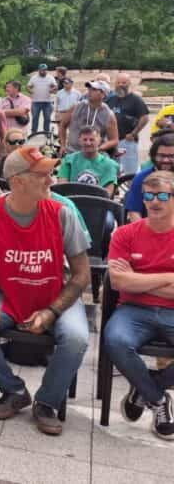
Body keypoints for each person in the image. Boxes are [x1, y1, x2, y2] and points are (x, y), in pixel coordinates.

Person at [0, 146, 91, 436]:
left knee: (77, 338)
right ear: (18, 181)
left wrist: (52, 311)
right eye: (42, 175)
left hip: (56, 295)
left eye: (50, 173)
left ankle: (47, 402)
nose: (51, 180)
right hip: (8, 295)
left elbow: (83, 274)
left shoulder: (62, 213)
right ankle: (14, 390)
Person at [103, 170, 174, 439]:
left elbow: (129, 280)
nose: (155, 202)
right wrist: (168, 278)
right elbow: (118, 282)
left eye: (163, 196)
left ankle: (145, 387)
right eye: (149, 196)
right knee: (115, 340)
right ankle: (158, 399)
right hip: (133, 310)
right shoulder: (125, 234)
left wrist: (138, 279)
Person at [125, 131, 174, 222]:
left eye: (171, 156)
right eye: (161, 156)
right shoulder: (142, 178)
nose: (166, 160)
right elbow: (134, 212)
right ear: (154, 156)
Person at [108, 72, 150, 177]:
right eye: (118, 82)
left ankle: (130, 186)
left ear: (129, 83)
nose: (120, 85)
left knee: (129, 172)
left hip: (127, 141)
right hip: (111, 141)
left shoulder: (136, 99)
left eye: (124, 82)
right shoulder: (110, 99)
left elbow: (145, 118)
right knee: (112, 169)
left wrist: (133, 133)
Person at [61, 80, 118, 156]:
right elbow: (63, 125)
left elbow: (114, 140)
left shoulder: (109, 114)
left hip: (95, 155)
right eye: (89, 89)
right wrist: (63, 145)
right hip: (72, 153)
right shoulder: (76, 107)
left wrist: (98, 149)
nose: (89, 91)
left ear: (103, 94)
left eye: (94, 89)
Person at [57, 126, 119, 195]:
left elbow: (107, 194)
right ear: (79, 141)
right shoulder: (69, 160)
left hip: (97, 201)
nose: (88, 143)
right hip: (71, 200)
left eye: (92, 140)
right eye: (85, 140)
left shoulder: (110, 165)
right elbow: (62, 187)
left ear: (99, 141)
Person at [26, 64, 58, 135]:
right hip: (36, 101)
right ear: (39, 70)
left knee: (47, 118)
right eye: (42, 70)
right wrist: (30, 91)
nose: (43, 71)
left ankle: (46, 132)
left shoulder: (50, 77)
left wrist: (52, 89)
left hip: (47, 102)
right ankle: (34, 132)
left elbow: (55, 86)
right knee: (35, 118)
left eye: (45, 70)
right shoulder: (34, 78)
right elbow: (28, 86)